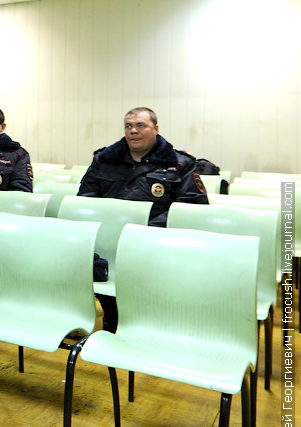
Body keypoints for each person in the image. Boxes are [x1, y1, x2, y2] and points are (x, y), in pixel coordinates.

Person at [78, 106, 208, 330]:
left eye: (141, 126)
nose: (133, 131)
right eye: (128, 126)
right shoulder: (105, 160)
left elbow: (193, 208)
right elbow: (85, 200)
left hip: (154, 243)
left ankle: (146, 323)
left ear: (156, 129)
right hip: (108, 242)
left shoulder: (179, 164)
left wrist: (142, 229)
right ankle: (113, 317)